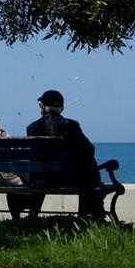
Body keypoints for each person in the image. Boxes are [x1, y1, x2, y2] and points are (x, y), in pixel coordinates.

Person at [25, 89, 105, 217]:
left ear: (43, 106)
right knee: (88, 168)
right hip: (68, 178)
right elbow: (90, 150)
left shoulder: (32, 128)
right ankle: (89, 214)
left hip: (42, 179)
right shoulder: (71, 125)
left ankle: (33, 215)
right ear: (62, 108)